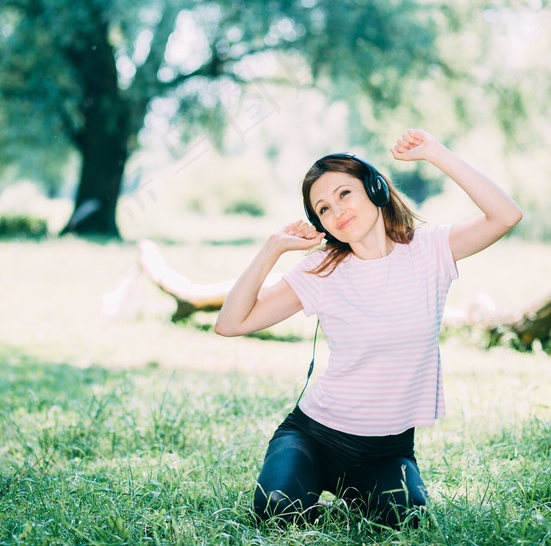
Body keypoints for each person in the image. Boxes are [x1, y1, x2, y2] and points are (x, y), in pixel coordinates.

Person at [214, 129, 522, 527]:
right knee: (276, 510)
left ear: (375, 188)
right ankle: (306, 486)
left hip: (386, 449)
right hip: (313, 435)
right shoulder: (321, 268)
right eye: (322, 208)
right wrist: (272, 247)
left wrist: (435, 153)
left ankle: (353, 495)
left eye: (344, 194)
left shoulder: (431, 250)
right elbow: (230, 323)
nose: (336, 210)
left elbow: (506, 215)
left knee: (407, 518)